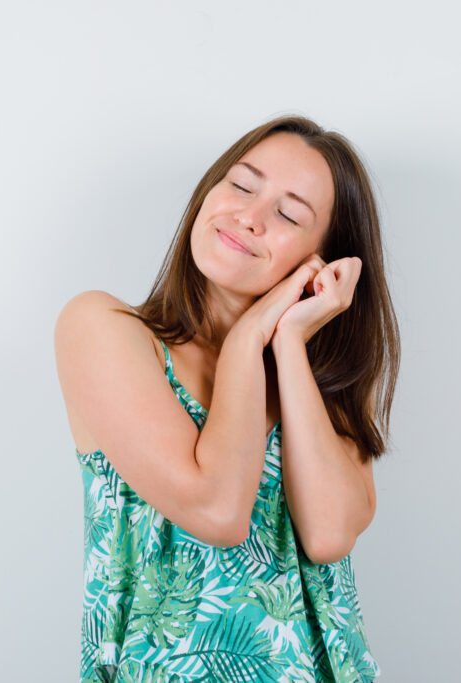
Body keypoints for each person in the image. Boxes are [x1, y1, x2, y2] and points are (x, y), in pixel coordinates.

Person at [54, 115, 400, 682]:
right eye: (241, 184)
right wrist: (246, 340)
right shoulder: (105, 329)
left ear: (322, 260)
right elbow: (217, 510)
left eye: (289, 214)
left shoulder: (317, 392)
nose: (250, 216)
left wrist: (287, 341)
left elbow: (329, 534)